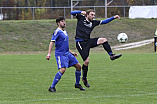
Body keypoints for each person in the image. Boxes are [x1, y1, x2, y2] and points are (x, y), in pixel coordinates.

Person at [71, 9, 122, 88]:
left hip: (88, 41)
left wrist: (113, 17)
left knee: (103, 40)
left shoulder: (93, 22)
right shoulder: (81, 17)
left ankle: (111, 55)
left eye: (94, 15)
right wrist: (81, 12)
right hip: (80, 43)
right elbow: (72, 12)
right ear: (87, 15)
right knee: (86, 62)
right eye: (91, 15)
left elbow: (104, 22)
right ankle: (84, 78)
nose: (93, 16)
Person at [46, 16, 85, 92]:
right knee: (63, 70)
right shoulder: (57, 31)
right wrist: (49, 54)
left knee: (79, 66)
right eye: (62, 21)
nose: (64, 23)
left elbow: (64, 45)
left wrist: (71, 52)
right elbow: (52, 42)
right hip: (61, 54)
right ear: (58, 23)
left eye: (64, 21)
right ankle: (52, 87)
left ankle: (77, 84)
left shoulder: (65, 32)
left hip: (67, 53)